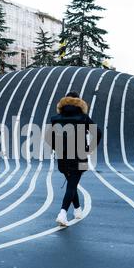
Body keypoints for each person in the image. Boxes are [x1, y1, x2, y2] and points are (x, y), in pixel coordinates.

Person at [46, 91, 102, 227]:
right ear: (78, 102)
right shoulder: (83, 117)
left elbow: (48, 137)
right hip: (79, 154)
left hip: (62, 156)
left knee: (72, 184)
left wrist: (56, 147)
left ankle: (77, 210)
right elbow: (98, 132)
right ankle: (62, 213)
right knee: (72, 184)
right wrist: (90, 148)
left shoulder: (56, 118)